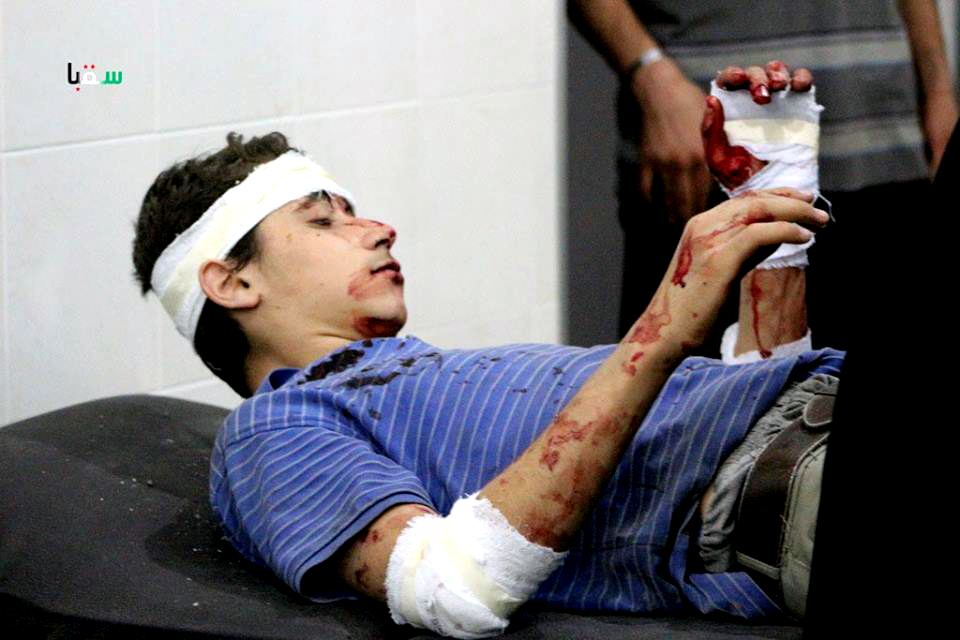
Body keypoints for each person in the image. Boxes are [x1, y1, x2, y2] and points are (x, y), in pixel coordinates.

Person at [133, 69, 835, 638]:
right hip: (779, 492)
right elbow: (453, 588)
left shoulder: (419, 378)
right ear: (233, 282)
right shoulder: (273, 426)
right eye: (322, 220)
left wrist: (774, 198)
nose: (379, 229)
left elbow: (750, 394)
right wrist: (663, 327)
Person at [568, 0, 959, 348]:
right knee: (695, 396)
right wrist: (653, 78)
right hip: (709, 155)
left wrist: (939, 91)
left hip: (884, 147)